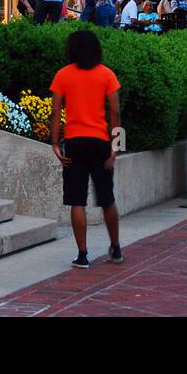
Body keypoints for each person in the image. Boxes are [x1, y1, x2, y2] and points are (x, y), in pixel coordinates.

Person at [49, 29, 123, 269]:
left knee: (76, 200)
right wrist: (116, 146)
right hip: (100, 142)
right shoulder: (107, 75)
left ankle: (82, 255)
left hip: (74, 142)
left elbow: (55, 112)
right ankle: (116, 247)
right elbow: (115, 112)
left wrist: (55, 143)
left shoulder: (63, 75)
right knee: (107, 198)